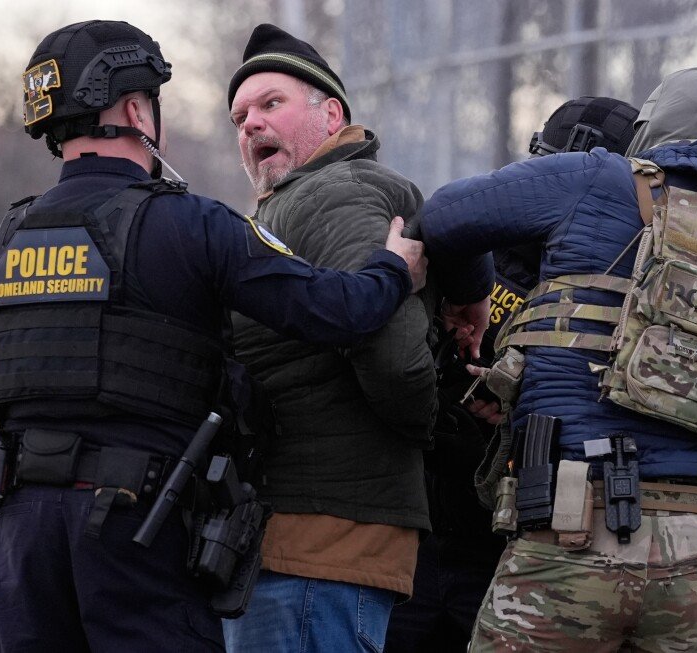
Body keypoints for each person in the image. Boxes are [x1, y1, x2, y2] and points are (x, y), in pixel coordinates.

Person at [0, 20, 426, 652]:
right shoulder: (189, 225)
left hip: (23, 534)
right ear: (137, 110)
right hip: (134, 526)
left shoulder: (7, 239)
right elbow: (340, 310)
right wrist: (394, 268)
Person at [420, 68, 697, 652]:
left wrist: (470, 297)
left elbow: (443, 217)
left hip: (571, 532)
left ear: (650, 125)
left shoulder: (599, 176)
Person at [222, 24, 491, 653]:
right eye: (239, 117)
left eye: (271, 104)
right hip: (299, 544)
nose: (251, 124)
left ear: (332, 115)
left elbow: (394, 363)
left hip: (324, 548)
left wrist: (425, 424)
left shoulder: (337, 194)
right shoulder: (292, 206)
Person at [383, 95, 640, 653]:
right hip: (421, 527)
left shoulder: (623, 284)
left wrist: (522, 407)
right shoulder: (472, 244)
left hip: (515, 542)